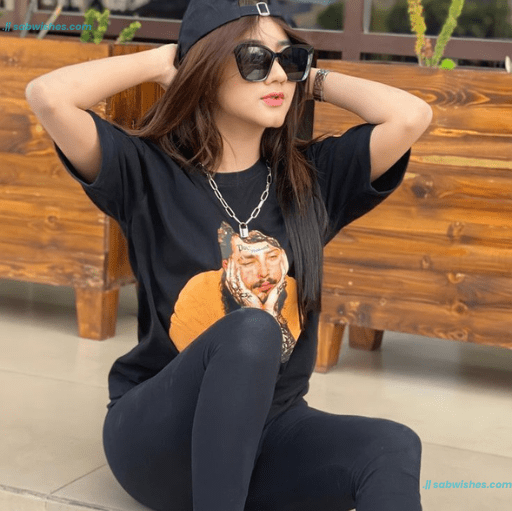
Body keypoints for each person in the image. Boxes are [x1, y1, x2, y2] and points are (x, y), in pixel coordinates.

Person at [25, 1, 432, 510]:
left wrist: (309, 78)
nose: (277, 74)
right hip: (162, 441)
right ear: (204, 67)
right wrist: (164, 62)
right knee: (253, 327)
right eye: (255, 59)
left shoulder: (312, 178)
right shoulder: (147, 171)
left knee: (392, 445)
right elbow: (48, 96)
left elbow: (412, 116)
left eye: (289, 59)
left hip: (271, 434)